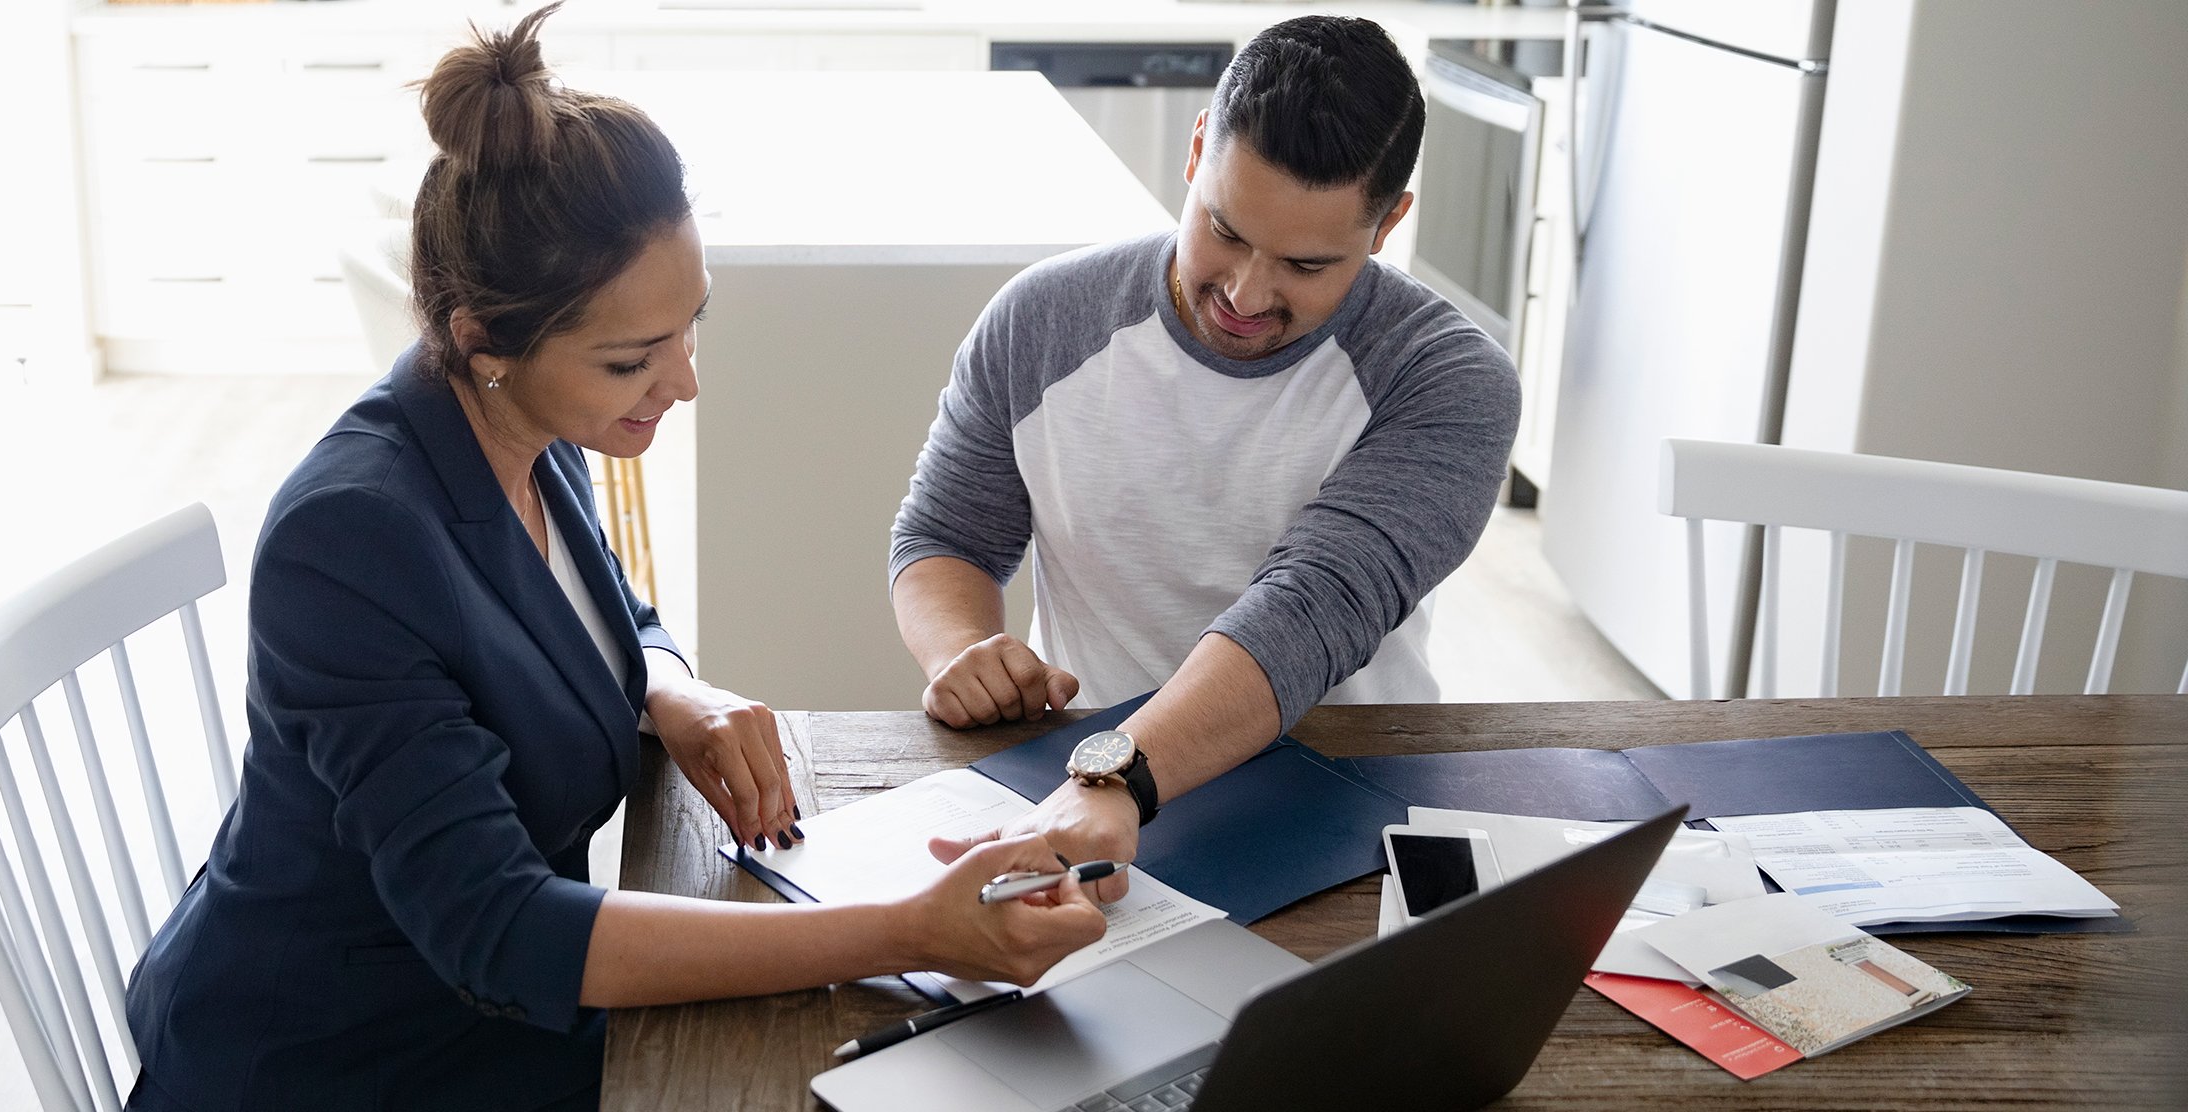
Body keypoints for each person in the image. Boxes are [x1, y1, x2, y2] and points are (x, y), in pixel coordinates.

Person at [123, 8, 1105, 1110]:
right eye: (634, 357)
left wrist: (673, 689)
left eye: (693, 324)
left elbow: (607, 613)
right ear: (484, 340)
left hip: (488, 1012)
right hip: (341, 1057)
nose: (684, 382)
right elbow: (499, 928)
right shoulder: (347, 545)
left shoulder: (529, 432)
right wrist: (908, 929)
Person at [889, 16, 1519, 898]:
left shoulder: (1447, 378)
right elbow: (945, 534)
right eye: (1224, 230)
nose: (1246, 293)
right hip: (1080, 781)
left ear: (1387, 224)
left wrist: (1120, 779)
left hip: (1350, 792)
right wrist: (964, 649)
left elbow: (1312, 606)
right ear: (1196, 151)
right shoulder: (1041, 319)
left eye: (1304, 265)